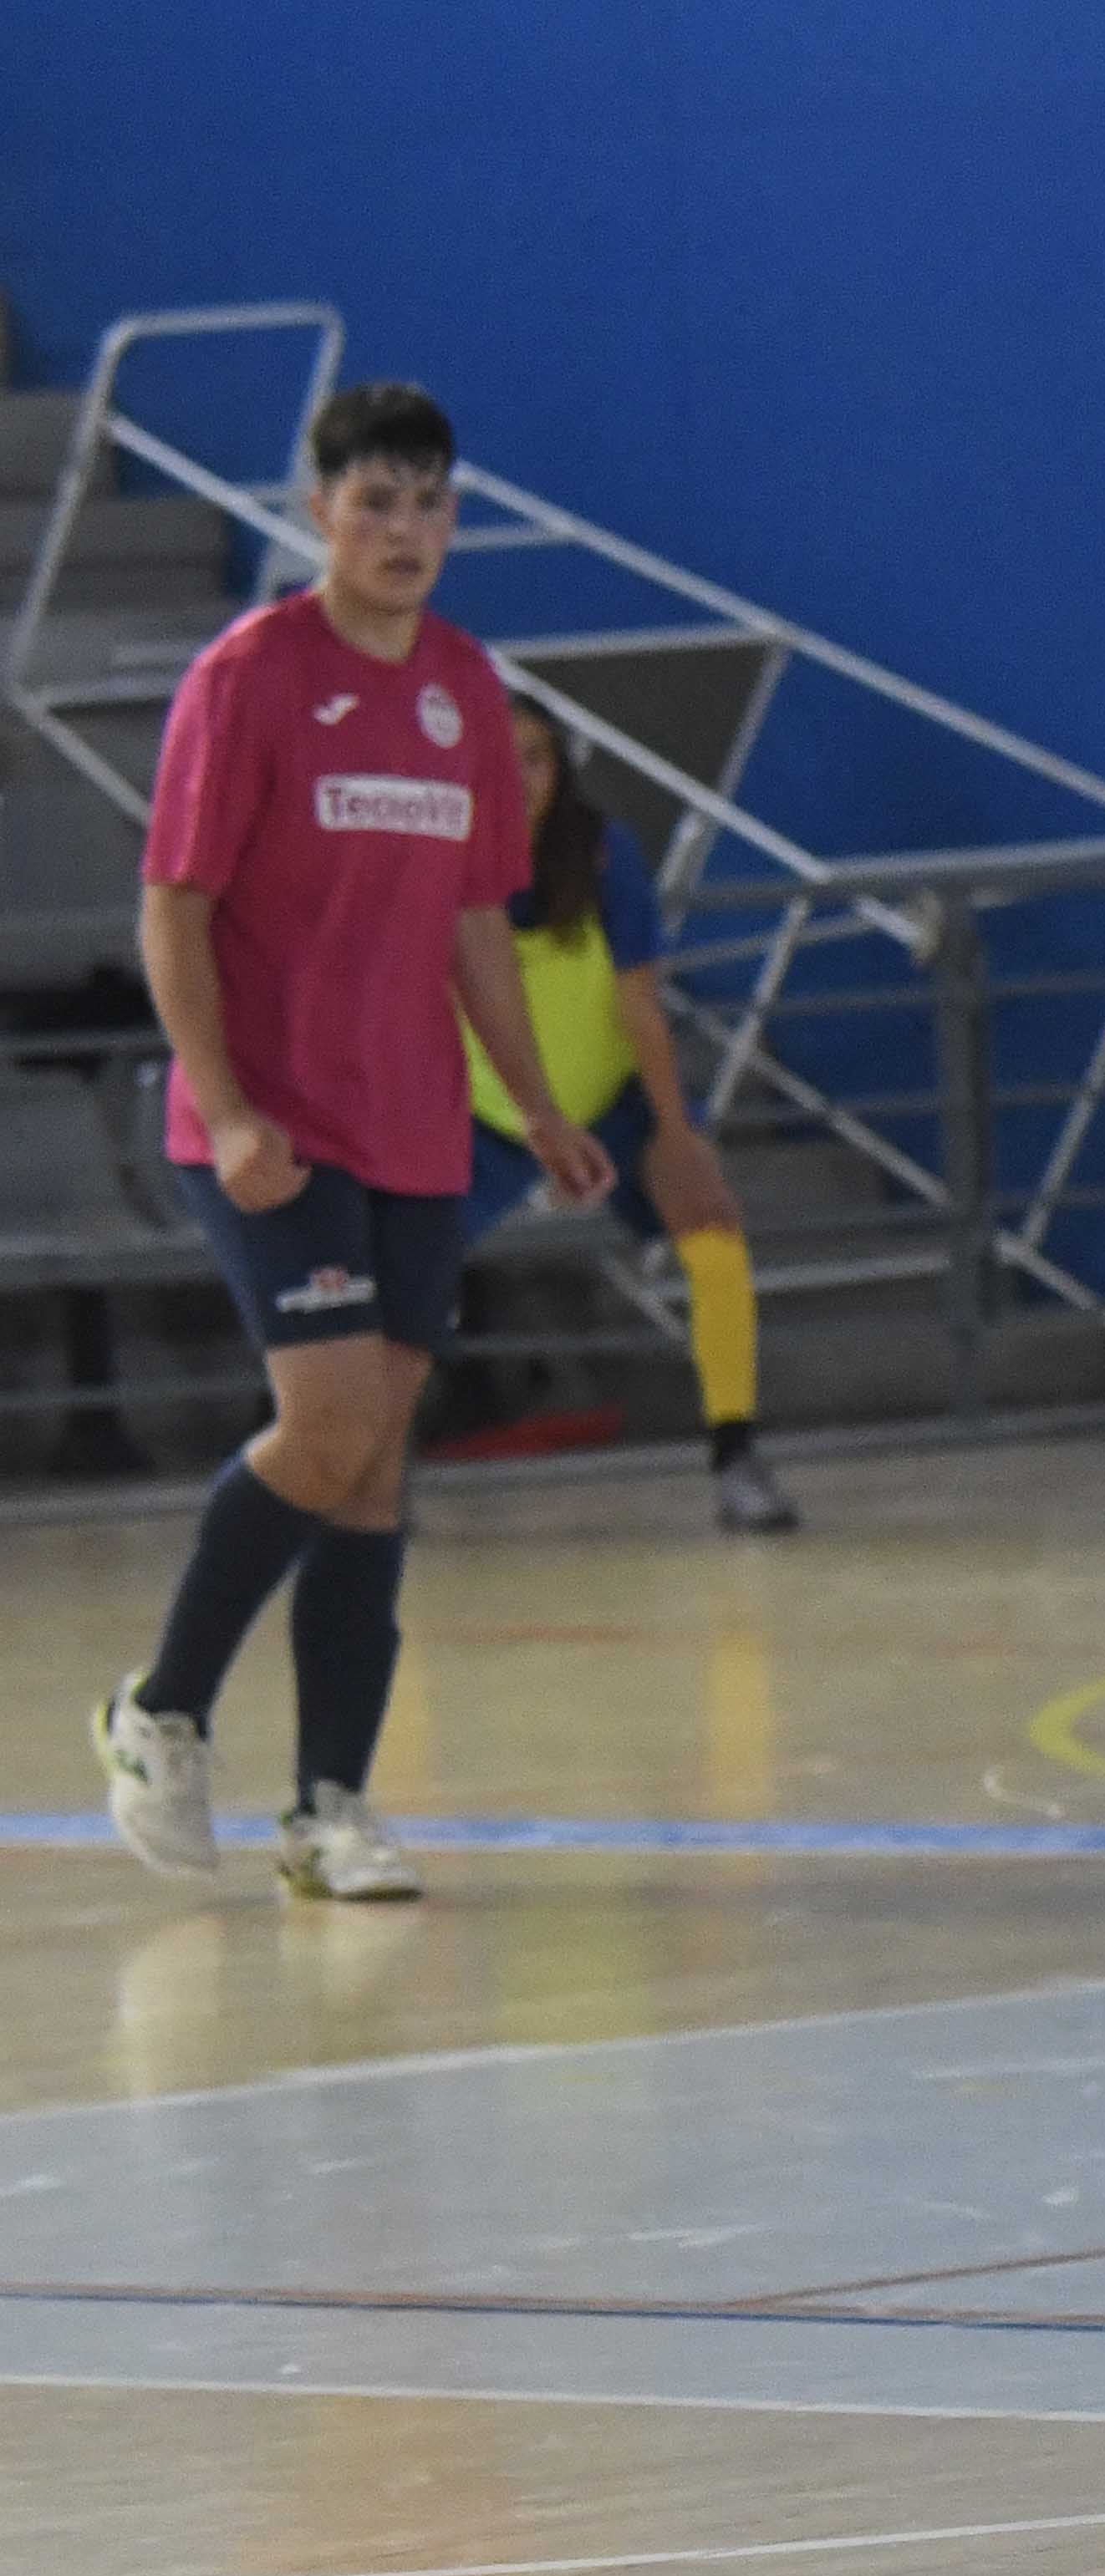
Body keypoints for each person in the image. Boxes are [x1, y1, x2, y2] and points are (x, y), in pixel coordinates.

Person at [89, 382, 616, 1903]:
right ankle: (162, 1709)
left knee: (375, 1461)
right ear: (317, 511)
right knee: (325, 1425)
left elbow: (475, 923)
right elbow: (173, 908)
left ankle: (329, 1807)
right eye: (375, 502)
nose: (404, 530)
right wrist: (229, 1111)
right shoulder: (249, 677)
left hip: (415, 1127)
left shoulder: (464, 686)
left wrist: (535, 1105)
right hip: (270, 1124)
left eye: (430, 503)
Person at [458, 696, 800, 1532]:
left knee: (713, 1232)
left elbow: (639, 1000)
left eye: (536, 757)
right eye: (501, 758)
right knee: (397, 1269)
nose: (520, 775)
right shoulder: (441, 859)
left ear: (560, 769)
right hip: (485, 1111)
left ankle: (735, 1454)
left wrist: (676, 1132)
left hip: (609, 1100)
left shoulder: (604, 854)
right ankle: (372, 1475)